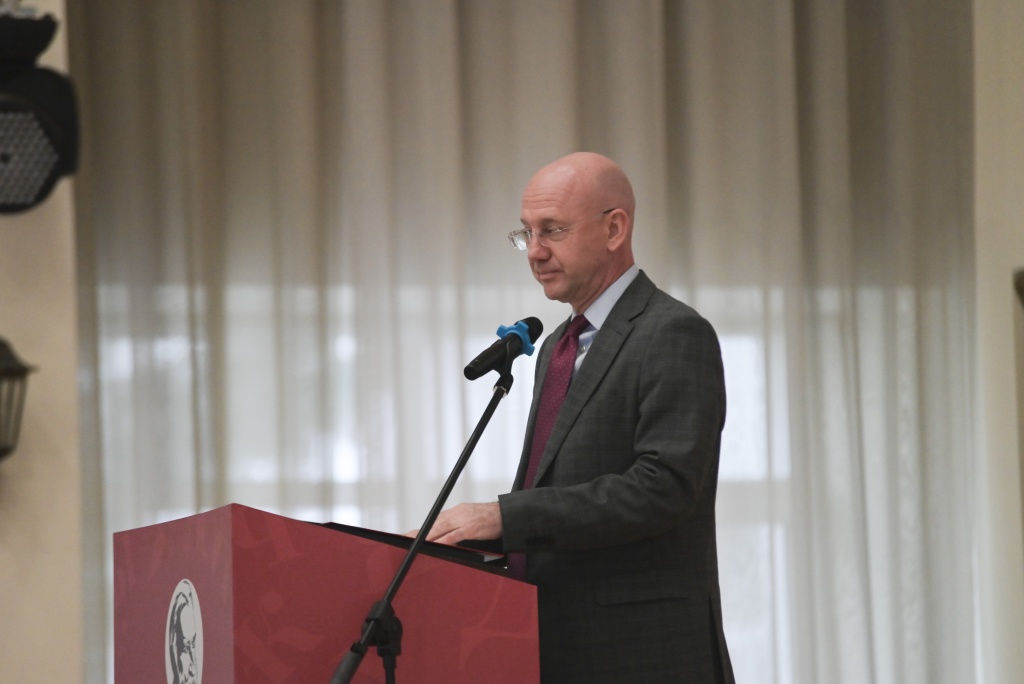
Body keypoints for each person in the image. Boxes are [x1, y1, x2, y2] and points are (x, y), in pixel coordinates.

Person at [426, 152, 734, 682]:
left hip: (643, 655)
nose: (535, 251)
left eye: (553, 230)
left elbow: (664, 488)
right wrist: (458, 539)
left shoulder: (672, 332)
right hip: (554, 646)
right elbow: (556, 497)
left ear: (614, 229)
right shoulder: (555, 347)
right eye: (526, 233)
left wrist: (504, 517)